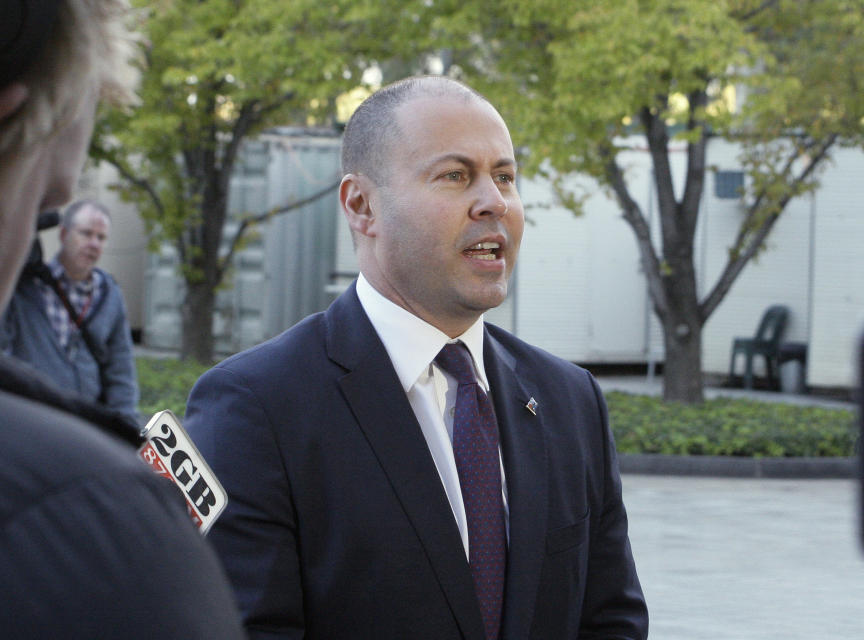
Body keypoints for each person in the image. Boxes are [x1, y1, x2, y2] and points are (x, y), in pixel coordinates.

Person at [185, 75, 649, 639]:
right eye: (456, 176)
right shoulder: (255, 407)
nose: (494, 202)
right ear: (361, 205)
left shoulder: (569, 399)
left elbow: (610, 619)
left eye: (505, 176)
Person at [0, 0, 244, 636]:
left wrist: (119, 429)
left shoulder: (107, 298)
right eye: (47, 209)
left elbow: (119, 373)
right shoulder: (100, 526)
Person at [2, 199, 139, 422]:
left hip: (87, 426)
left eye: (101, 237)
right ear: (64, 234)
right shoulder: (26, 288)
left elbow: (120, 370)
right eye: (86, 233)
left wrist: (127, 427)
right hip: (32, 420)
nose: (94, 243)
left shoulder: (109, 294)